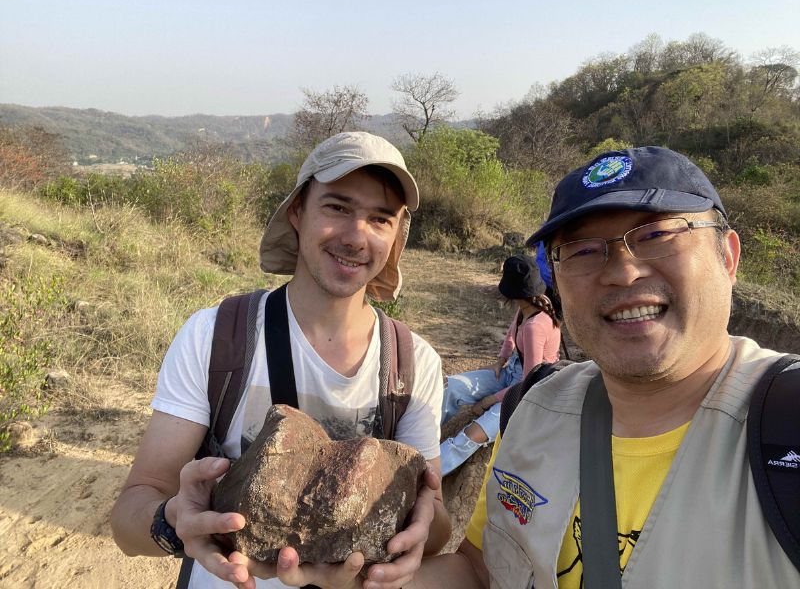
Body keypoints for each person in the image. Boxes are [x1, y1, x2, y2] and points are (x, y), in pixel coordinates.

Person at [319, 145, 800, 589]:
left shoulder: (784, 428)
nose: (621, 271)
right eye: (583, 250)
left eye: (657, 235)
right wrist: (358, 580)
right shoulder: (537, 409)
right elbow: (479, 570)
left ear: (728, 255)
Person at [110, 131, 451, 589]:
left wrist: (420, 532)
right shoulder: (216, 336)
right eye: (337, 207)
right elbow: (131, 515)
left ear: (396, 236)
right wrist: (174, 521)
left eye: (380, 219)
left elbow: (437, 519)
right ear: (297, 212)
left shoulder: (413, 363)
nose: (356, 236)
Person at [439, 254, 561, 476]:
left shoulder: (536, 326)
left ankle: (429, 472)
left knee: (471, 435)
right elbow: (511, 337)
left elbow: (528, 381)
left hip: (529, 391)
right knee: (451, 386)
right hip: (512, 372)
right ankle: (422, 438)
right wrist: (501, 360)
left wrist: (489, 401)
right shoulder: (527, 308)